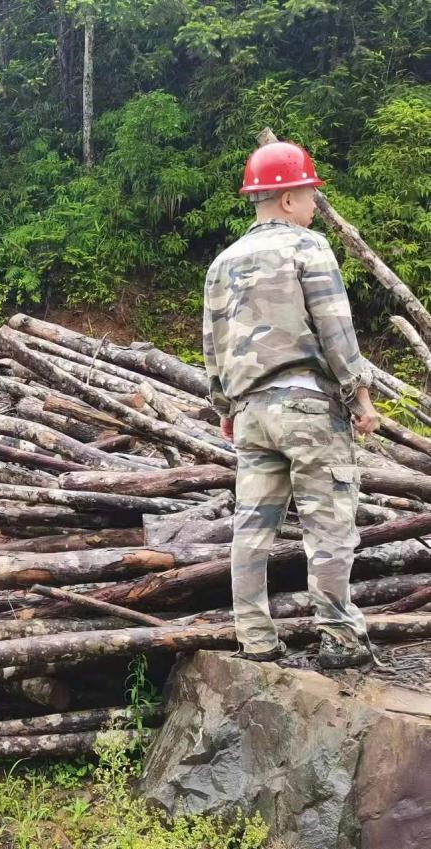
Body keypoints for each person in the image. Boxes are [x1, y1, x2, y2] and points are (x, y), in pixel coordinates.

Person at [203, 141, 381, 669]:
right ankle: (340, 640)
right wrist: (361, 398)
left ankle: (256, 639)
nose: (313, 206)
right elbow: (336, 329)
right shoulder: (309, 248)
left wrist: (226, 410)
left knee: (251, 528)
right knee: (328, 526)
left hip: (251, 412)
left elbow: (213, 347)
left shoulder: (221, 264)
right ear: (287, 199)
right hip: (308, 409)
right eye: (309, 195)